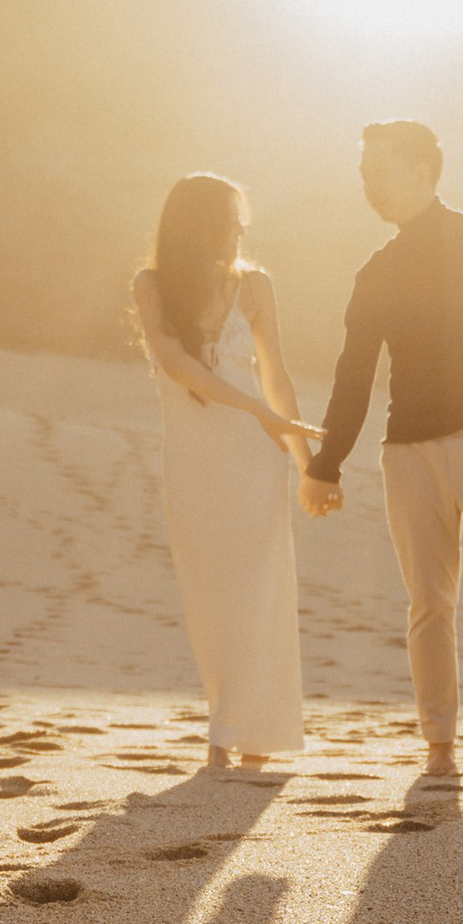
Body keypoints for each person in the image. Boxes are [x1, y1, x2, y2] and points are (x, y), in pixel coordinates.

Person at [300, 119, 463, 781]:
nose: (370, 186)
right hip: (409, 453)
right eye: (363, 175)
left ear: (423, 172)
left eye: (380, 171)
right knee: (429, 603)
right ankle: (439, 744)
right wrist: (324, 467)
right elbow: (353, 377)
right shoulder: (377, 273)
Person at [133, 171, 317, 771]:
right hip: (194, 461)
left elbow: (278, 378)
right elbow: (177, 364)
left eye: (243, 219)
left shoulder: (256, 285)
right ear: (199, 225)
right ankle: (226, 721)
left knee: (261, 592)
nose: (241, 228)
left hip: (254, 461)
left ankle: (250, 738)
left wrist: (308, 465)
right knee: (209, 595)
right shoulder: (152, 286)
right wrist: (254, 408)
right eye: (230, 218)